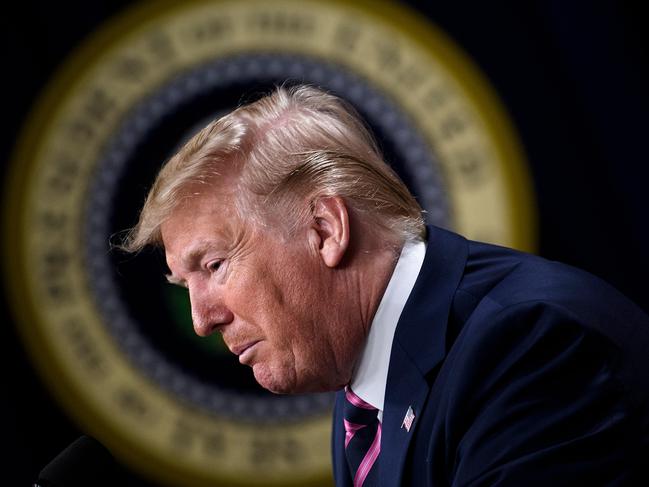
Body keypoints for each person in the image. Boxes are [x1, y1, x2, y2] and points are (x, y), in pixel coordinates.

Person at [121, 85, 649, 486]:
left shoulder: (527, 345)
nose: (200, 318)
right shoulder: (365, 397)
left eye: (214, 265)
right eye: (183, 282)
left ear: (325, 229)